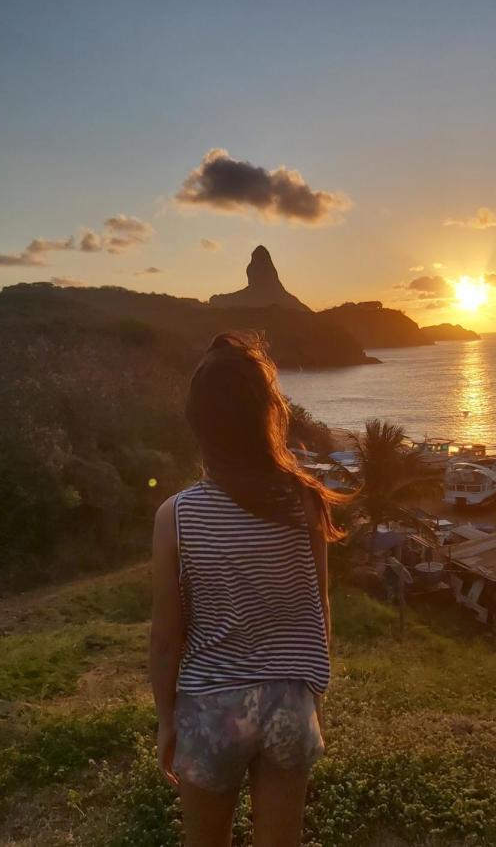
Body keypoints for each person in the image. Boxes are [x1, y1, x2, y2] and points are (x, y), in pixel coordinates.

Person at [149, 331, 344, 847]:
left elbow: (167, 638)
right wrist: (312, 696)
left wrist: (166, 722)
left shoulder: (177, 516)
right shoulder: (305, 501)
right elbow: (319, 608)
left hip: (210, 706)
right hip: (289, 702)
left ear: (199, 422)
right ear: (269, 414)